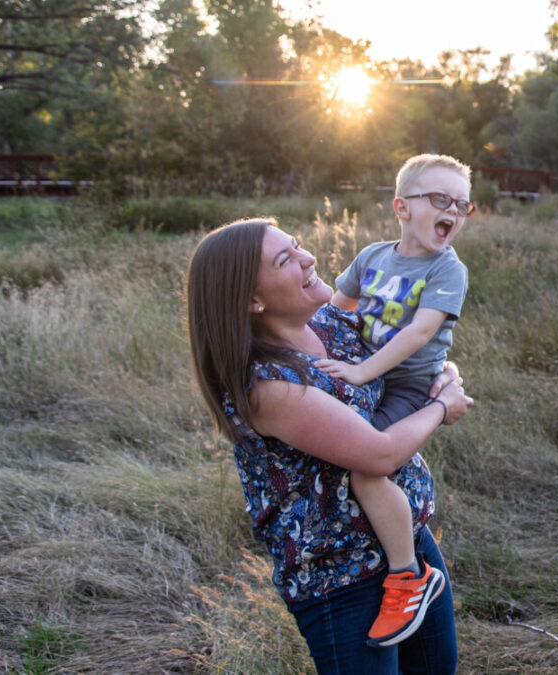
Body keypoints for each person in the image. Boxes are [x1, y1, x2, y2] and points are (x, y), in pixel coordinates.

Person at [186, 217, 473, 673]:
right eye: (286, 259)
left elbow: (413, 358)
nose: (308, 258)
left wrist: (444, 377)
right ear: (252, 300)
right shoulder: (267, 384)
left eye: (297, 245)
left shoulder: (332, 323)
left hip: (408, 546)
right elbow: (377, 453)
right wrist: (441, 408)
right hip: (341, 577)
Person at [314, 154, 472, 647]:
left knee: (367, 467)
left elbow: (421, 333)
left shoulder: (449, 268)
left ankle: (408, 576)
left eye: (462, 205)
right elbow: (332, 315)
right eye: (440, 199)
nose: (453, 211)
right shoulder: (372, 257)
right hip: (366, 374)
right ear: (403, 208)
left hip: (406, 386)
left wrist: (362, 371)